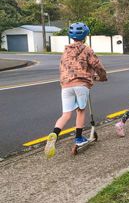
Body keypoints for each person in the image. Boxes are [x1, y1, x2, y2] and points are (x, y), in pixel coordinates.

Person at [44, 22, 107, 158]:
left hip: (66, 85)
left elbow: (62, 68)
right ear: (85, 35)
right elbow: (97, 65)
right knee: (80, 111)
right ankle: (78, 138)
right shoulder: (86, 50)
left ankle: (54, 133)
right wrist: (102, 77)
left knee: (66, 114)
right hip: (81, 84)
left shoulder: (65, 51)